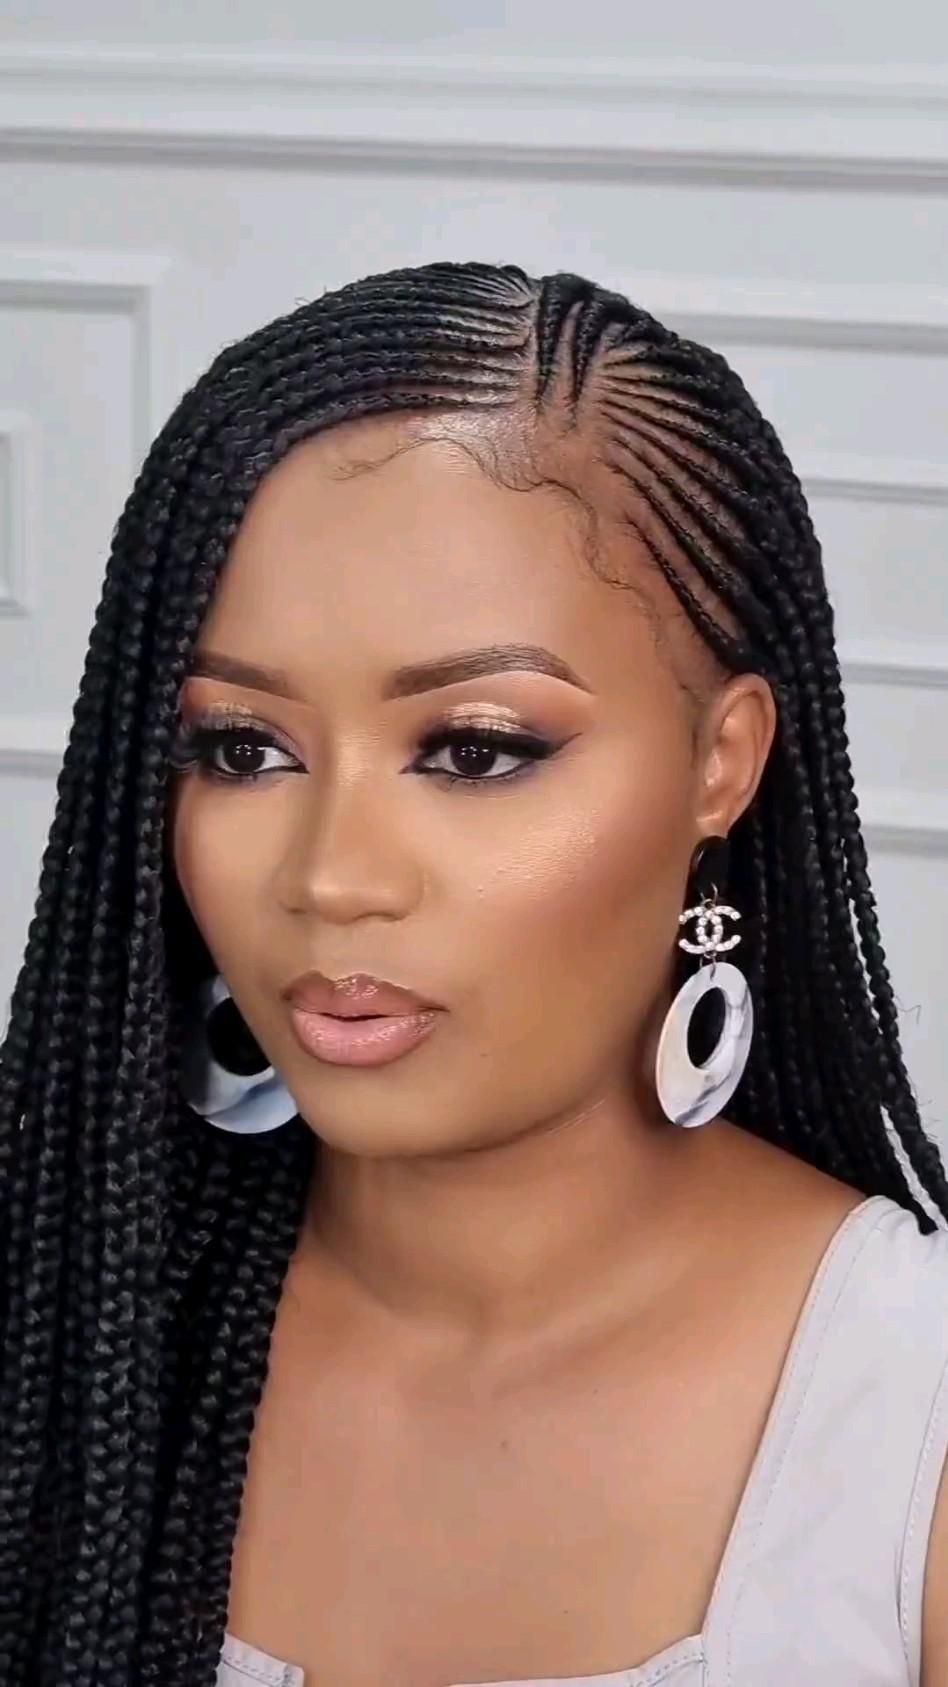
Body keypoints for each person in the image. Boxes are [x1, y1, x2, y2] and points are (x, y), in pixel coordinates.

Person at [1, 260, 946, 1687]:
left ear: (722, 762)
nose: (331, 877)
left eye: (474, 750)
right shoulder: (65, 1319)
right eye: (243, 748)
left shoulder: (908, 1420)